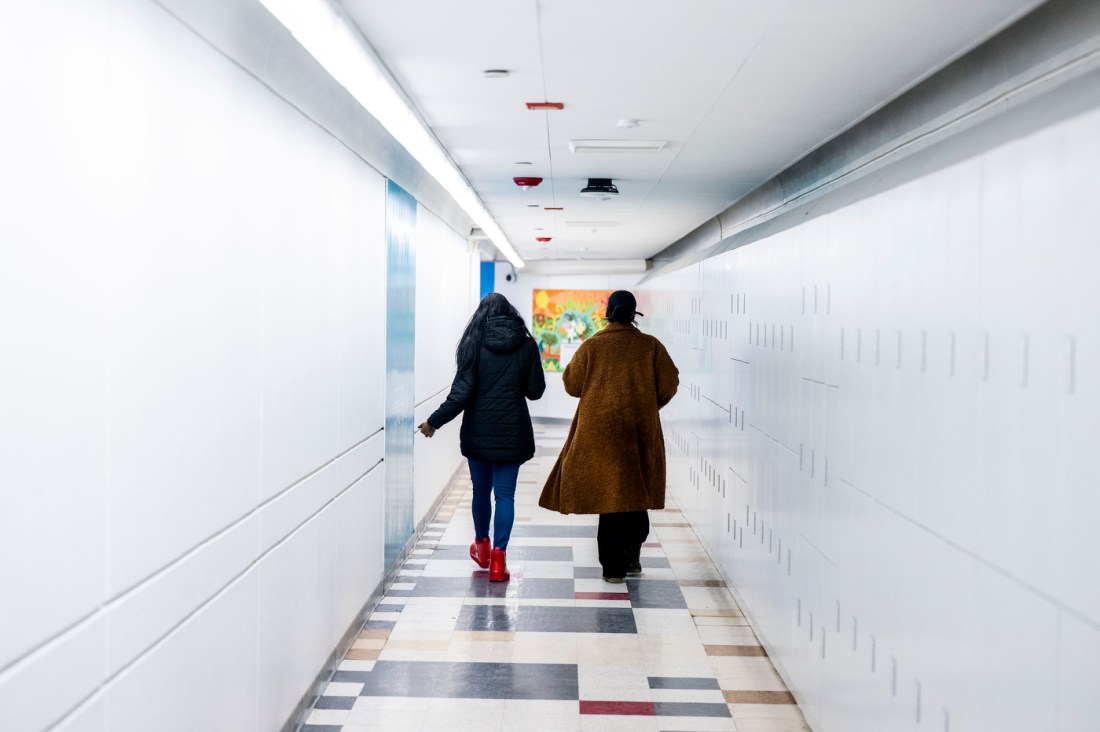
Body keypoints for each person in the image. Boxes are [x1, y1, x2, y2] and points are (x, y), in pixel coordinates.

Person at [538, 290, 679, 583]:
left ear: (608, 312)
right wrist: (649, 406)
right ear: (633, 313)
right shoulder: (650, 346)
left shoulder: (592, 346)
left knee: (611, 500)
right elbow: (669, 383)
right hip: (640, 429)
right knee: (635, 492)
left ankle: (613, 569)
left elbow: (572, 384)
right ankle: (632, 558)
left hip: (600, 433)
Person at [418, 293, 546, 582]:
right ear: (510, 313)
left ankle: (482, 546)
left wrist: (433, 422)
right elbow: (535, 391)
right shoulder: (526, 345)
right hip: (512, 434)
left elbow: (460, 395)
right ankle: (499, 560)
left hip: (479, 433)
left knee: (480, 491)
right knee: (505, 496)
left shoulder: (473, 344)